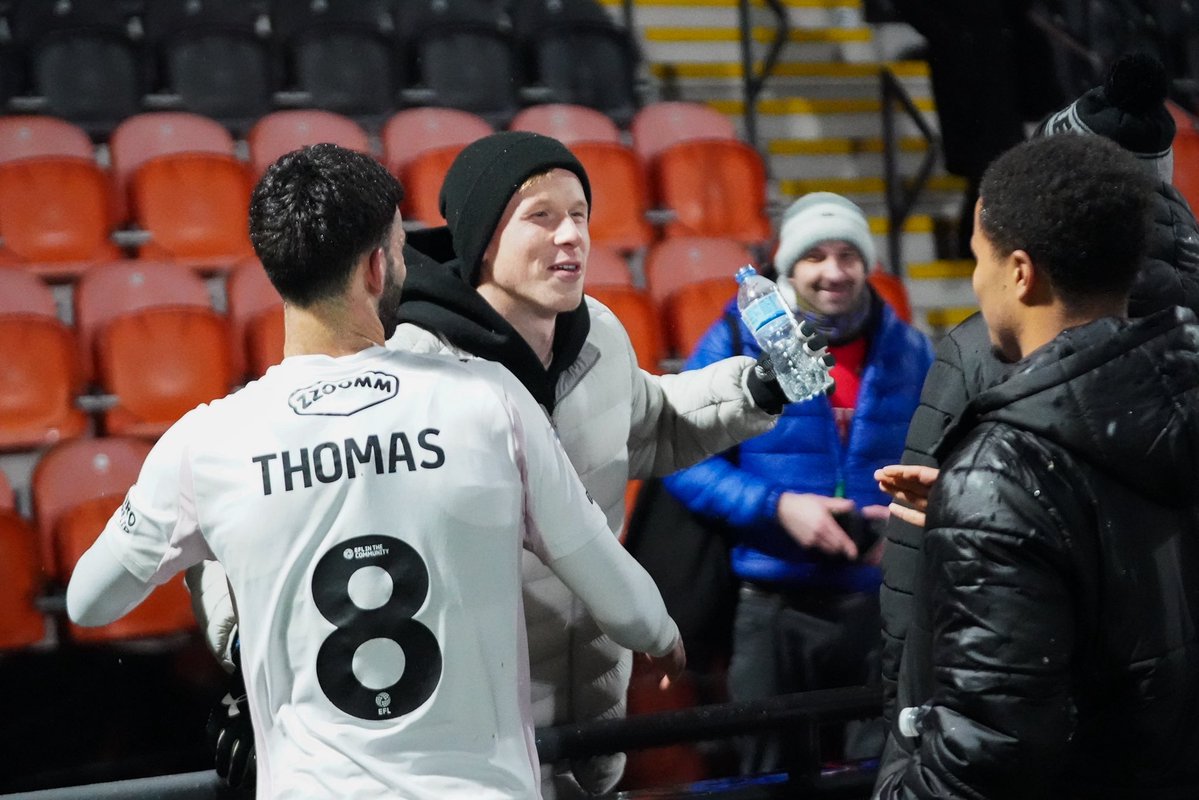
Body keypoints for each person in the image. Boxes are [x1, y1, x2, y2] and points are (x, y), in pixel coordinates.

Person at [65, 143, 687, 799]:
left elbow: (91, 599)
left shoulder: (207, 441)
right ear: (375, 267)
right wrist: (661, 635)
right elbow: (615, 590)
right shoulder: (489, 400)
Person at [190, 131, 788, 797]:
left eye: (580, 216)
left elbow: (650, 425)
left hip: (590, 736)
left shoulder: (602, 336)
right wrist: (250, 656)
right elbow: (235, 512)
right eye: (541, 217)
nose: (572, 237)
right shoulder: (399, 369)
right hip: (451, 755)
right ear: (480, 235)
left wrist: (756, 389)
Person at [875, 50, 1199, 784]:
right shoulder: (1177, 359)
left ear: (1021, 269)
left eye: (977, 256)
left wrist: (899, 733)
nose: (972, 277)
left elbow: (989, 744)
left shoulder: (997, 463)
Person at [662, 191, 933, 773]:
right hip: (772, 604)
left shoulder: (912, 351)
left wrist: (910, 521)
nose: (834, 271)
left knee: (881, 776)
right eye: (815, 256)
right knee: (770, 778)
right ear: (787, 265)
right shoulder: (736, 340)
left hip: (878, 604)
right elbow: (681, 459)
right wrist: (777, 507)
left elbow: (946, 464)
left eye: (847, 255)